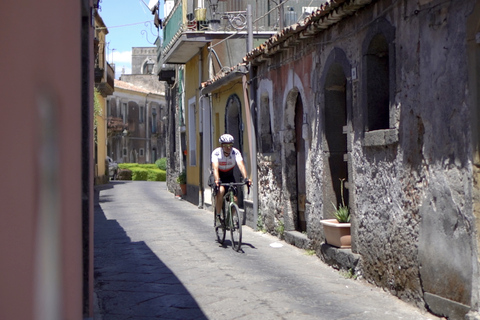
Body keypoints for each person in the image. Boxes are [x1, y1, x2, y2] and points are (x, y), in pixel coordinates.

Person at [211, 134, 250, 223]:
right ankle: (218, 216)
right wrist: (217, 180)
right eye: (225, 145)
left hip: (229, 175)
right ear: (221, 146)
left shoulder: (235, 152)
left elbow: (241, 165)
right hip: (219, 175)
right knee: (220, 191)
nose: (228, 147)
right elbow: (215, 168)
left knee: (235, 199)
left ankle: (230, 218)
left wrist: (246, 178)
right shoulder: (216, 153)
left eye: (230, 145)